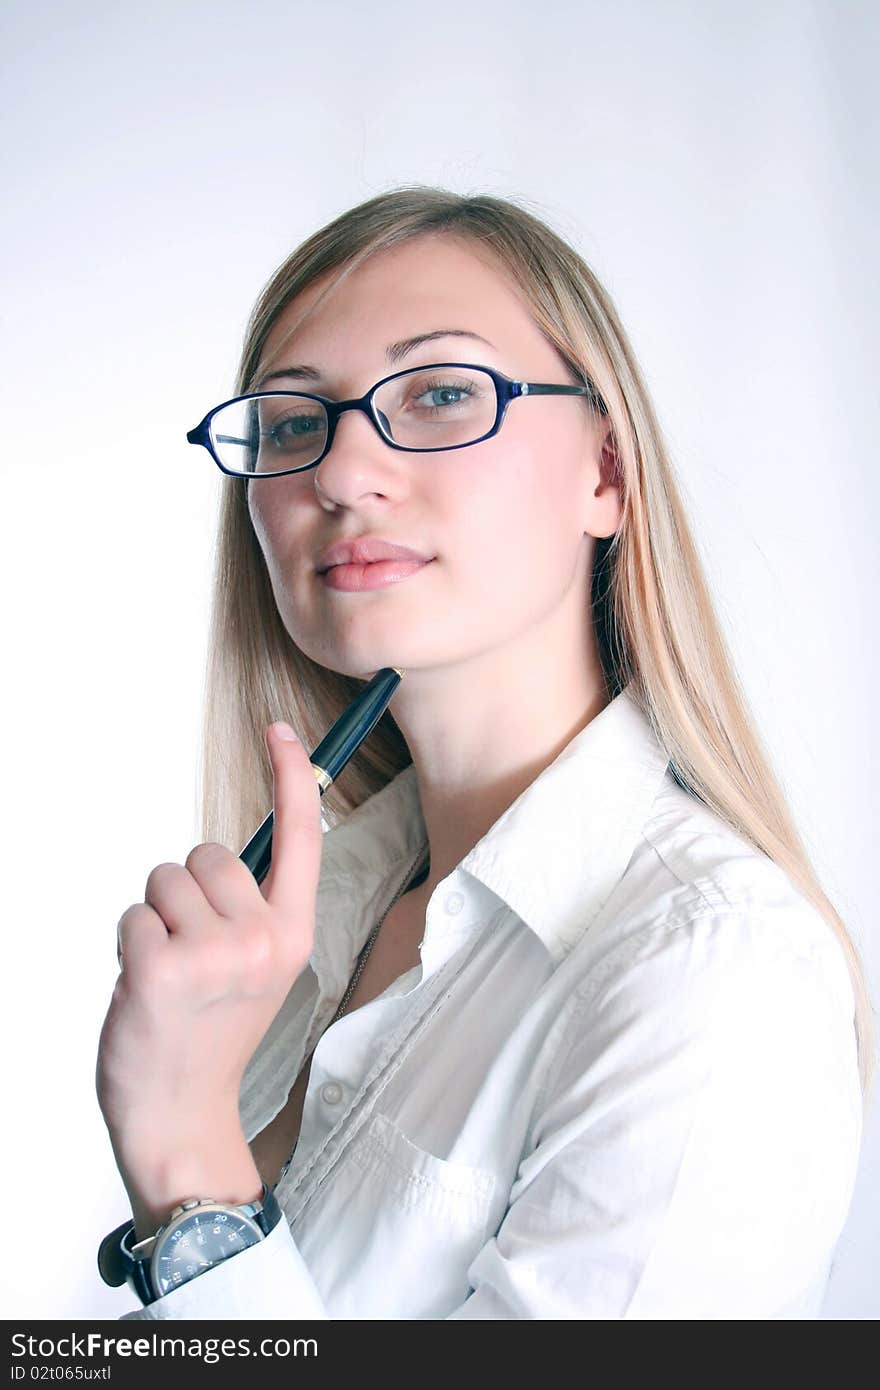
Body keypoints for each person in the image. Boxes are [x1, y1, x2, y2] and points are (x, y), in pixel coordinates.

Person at [95, 187, 872, 1320]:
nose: (342, 474)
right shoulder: (310, 924)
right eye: (295, 422)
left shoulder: (713, 973)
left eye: (443, 392)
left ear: (604, 476)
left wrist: (186, 1170)